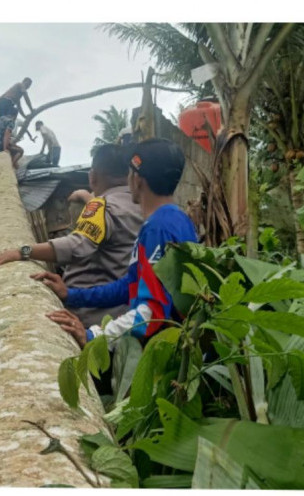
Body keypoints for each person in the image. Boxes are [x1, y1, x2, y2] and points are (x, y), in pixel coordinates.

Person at [32, 138, 197, 350]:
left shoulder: (159, 228)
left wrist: (94, 336)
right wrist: (71, 294)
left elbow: (152, 311)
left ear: (137, 179)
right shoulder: (178, 219)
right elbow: (131, 285)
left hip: (161, 351)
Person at [0, 144, 143, 327]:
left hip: (87, 316)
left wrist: (22, 252)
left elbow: (75, 245)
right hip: (122, 316)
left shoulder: (101, 207)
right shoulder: (143, 208)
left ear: (92, 177)